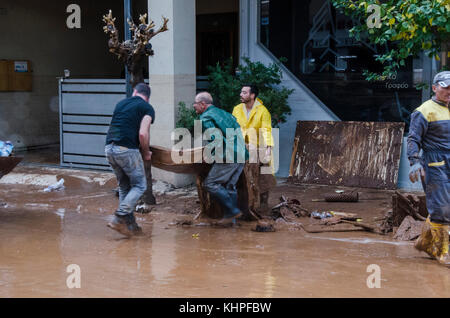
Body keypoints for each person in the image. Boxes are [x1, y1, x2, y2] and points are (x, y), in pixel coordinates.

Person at [408, 71, 450, 266]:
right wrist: (414, 161)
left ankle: (425, 241)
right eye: (446, 87)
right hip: (434, 165)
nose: (449, 91)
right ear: (435, 88)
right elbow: (413, 138)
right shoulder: (424, 111)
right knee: (441, 207)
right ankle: (442, 251)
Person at [105, 83, 155, 237]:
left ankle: (130, 224)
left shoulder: (121, 103)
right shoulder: (147, 108)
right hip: (126, 150)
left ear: (134, 92)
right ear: (147, 97)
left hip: (109, 148)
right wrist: (146, 153)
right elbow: (142, 134)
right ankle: (120, 217)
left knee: (124, 186)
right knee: (140, 185)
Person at [194, 92, 248, 223]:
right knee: (230, 186)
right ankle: (232, 221)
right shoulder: (225, 113)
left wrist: (210, 155)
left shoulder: (205, 117)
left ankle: (232, 211)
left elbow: (215, 139)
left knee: (210, 184)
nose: (194, 106)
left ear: (203, 104)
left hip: (228, 155)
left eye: (195, 103)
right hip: (241, 154)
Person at [232, 84, 276, 212]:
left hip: (259, 146)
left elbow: (266, 130)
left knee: (264, 175)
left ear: (252, 95)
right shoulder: (237, 109)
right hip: (242, 146)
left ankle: (263, 203)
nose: (241, 94)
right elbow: (233, 127)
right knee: (240, 175)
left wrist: (268, 149)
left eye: (244, 92)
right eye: (241, 92)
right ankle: (243, 204)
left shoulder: (262, 111)